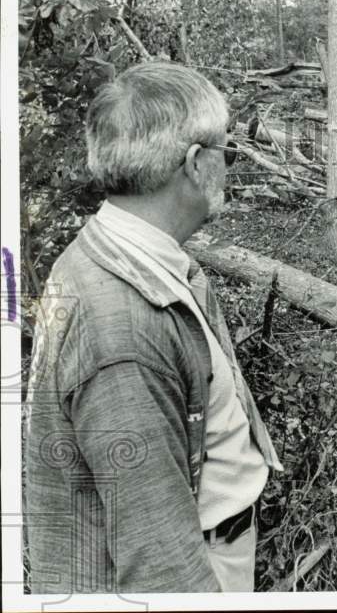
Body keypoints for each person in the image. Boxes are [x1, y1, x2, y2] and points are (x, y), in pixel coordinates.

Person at [25, 61, 283, 593]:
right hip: (200, 568)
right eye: (225, 153)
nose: (228, 167)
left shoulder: (121, 254)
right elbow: (159, 563)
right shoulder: (124, 328)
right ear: (194, 164)